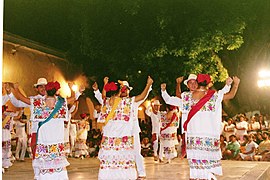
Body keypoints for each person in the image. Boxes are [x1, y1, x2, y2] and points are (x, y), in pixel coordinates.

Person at [161, 74, 233, 180]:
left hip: (196, 133)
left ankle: (202, 176)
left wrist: (163, 91)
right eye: (190, 82)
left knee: (198, 156)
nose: (193, 84)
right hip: (203, 133)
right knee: (201, 157)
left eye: (194, 82)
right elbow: (224, 93)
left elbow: (169, 100)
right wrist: (229, 85)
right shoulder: (208, 96)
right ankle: (203, 176)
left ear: (198, 83)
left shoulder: (192, 97)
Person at [8, 81, 82, 179]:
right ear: (56, 91)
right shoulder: (61, 102)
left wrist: (15, 89)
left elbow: (20, 98)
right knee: (57, 164)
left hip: (43, 138)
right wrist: (76, 91)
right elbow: (73, 99)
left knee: (42, 162)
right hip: (56, 139)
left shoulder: (37, 103)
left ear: (46, 90)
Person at [96, 76, 153, 180]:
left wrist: (105, 84)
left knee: (110, 162)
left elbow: (103, 95)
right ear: (118, 92)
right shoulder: (126, 102)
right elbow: (141, 96)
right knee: (122, 163)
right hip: (123, 138)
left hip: (110, 139)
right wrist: (148, 84)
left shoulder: (106, 103)